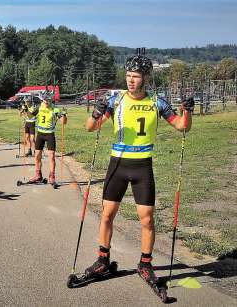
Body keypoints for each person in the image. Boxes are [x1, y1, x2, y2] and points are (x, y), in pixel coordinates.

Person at [83, 54, 194, 284]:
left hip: (143, 167)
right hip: (118, 165)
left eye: (135, 76)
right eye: (128, 76)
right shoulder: (116, 100)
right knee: (107, 215)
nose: (130, 80)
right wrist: (96, 112)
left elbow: (182, 127)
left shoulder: (157, 101)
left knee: (147, 219)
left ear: (145, 78)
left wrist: (188, 111)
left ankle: (145, 264)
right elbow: (91, 128)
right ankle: (103, 261)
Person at [27, 92, 67, 185]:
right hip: (40, 134)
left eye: (48, 100)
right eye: (45, 100)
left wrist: (64, 115)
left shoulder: (55, 109)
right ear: (42, 99)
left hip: (49, 135)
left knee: (52, 156)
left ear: (51, 100)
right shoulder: (39, 106)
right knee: (37, 156)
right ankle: (38, 175)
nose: (46, 102)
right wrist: (27, 110)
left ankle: (52, 176)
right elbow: (30, 116)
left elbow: (63, 122)